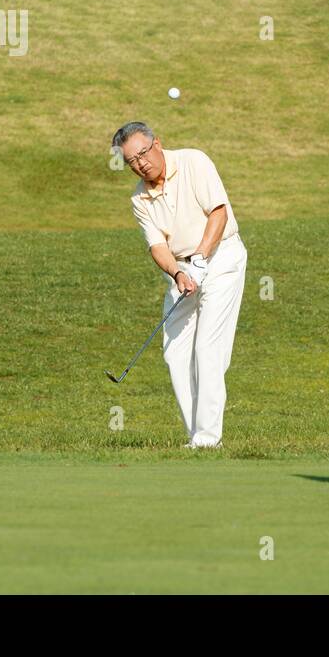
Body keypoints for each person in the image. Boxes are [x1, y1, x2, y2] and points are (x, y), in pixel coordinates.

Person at [111, 121, 247, 449]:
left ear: (157, 143)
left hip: (220, 259)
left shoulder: (193, 161)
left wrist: (201, 259)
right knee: (176, 354)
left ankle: (207, 439)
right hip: (181, 271)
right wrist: (178, 274)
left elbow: (219, 214)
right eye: (131, 161)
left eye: (142, 153)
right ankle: (195, 436)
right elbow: (157, 246)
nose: (140, 163)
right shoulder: (139, 199)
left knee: (208, 349)